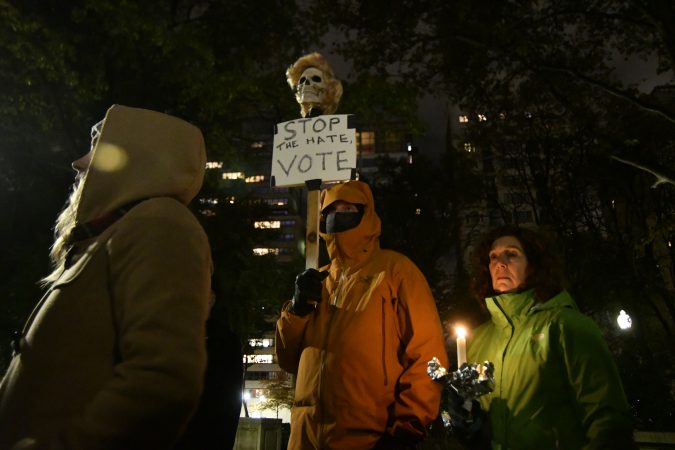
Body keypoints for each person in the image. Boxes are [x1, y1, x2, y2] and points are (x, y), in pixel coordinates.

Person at [0, 105, 213, 450]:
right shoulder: (119, 232)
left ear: (140, 156)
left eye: (99, 145)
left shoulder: (160, 222)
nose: (79, 163)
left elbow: (162, 381)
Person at [276, 180, 448, 450]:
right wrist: (296, 311)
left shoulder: (396, 271)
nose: (338, 216)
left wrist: (407, 428)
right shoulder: (317, 281)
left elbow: (428, 354)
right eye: (331, 211)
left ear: (365, 214)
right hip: (304, 439)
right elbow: (287, 360)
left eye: (347, 208)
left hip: (369, 438)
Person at [457, 224, 636, 449]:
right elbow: (471, 415)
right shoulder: (478, 339)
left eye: (511, 254)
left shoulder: (566, 326)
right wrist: (466, 424)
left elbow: (608, 420)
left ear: (534, 265)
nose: (500, 263)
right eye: (493, 257)